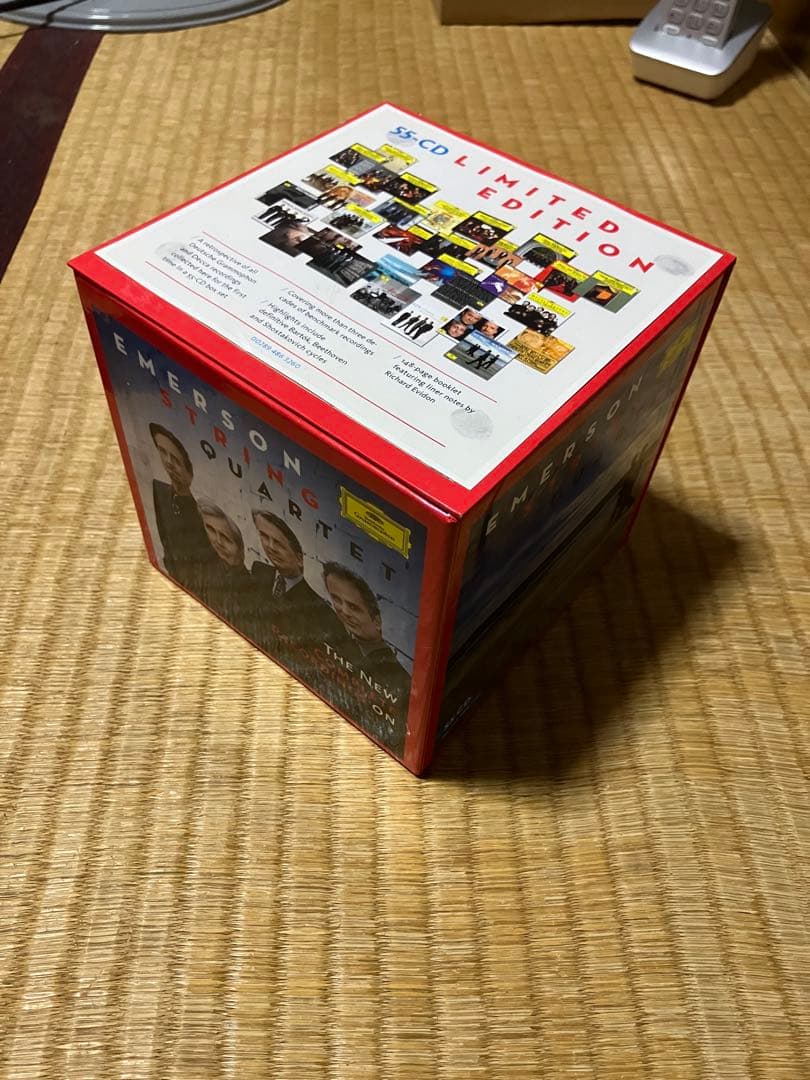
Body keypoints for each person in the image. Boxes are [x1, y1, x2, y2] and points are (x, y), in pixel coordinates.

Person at [322, 562, 410, 753]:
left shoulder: (401, 682)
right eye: (336, 599)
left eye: (354, 607)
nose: (344, 611)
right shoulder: (337, 646)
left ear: (377, 621)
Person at [251, 510, 340, 665]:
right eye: (264, 537)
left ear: (300, 559)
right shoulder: (259, 571)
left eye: (278, 543)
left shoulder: (320, 609)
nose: (270, 547)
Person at [149, 423, 215, 591]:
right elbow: (165, 541)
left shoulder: (204, 515)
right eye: (163, 452)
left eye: (176, 459)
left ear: (189, 471)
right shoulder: (159, 490)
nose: (168, 462)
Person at [196, 499, 255, 633]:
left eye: (226, 538)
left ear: (240, 547)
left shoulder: (250, 588)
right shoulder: (207, 567)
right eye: (211, 529)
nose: (218, 542)